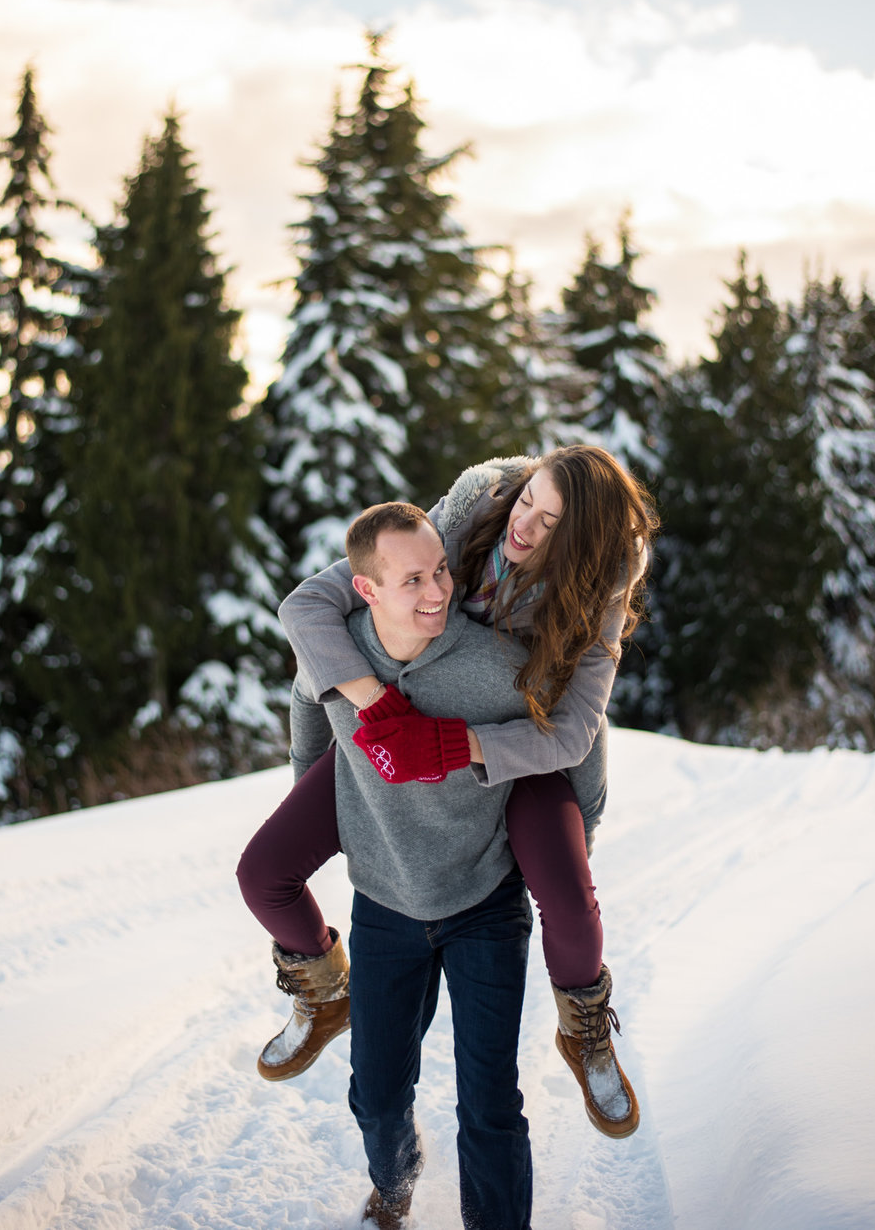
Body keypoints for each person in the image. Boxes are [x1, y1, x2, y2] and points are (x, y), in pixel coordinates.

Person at [237, 447, 657, 1148]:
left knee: (566, 894)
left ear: (582, 542)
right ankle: (322, 988)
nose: (525, 525)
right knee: (263, 873)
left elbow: (576, 729)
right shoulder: (469, 519)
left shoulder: (598, 595)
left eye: (550, 522)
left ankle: (584, 1030)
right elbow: (312, 604)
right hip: (405, 720)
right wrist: (373, 711)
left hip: (528, 744)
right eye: (529, 499)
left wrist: (464, 746)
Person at [248, 501, 540, 1228]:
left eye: (440, 570)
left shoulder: (497, 669)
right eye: (413, 580)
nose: (437, 591)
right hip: (385, 906)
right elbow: (308, 719)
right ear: (366, 589)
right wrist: (326, 800)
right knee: (376, 1095)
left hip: (484, 905)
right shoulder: (338, 654)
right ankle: (396, 1181)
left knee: (490, 1105)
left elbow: (567, 744)